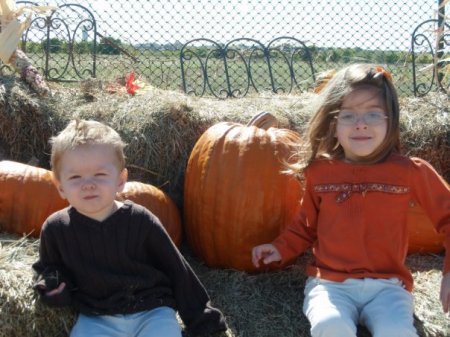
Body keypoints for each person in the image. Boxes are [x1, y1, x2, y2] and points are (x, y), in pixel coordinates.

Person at [251, 63, 450, 337]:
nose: (361, 123)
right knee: (330, 325)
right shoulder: (320, 172)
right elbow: (306, 225)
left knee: (396, 332)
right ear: (333, 125)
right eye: (348, 116)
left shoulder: (410, 171)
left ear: (390, 122)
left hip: (388, 287)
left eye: (373, 114)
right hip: (330, 285)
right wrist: (280, 248)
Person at [32, 119, 227, 337]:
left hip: (152, 310)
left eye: (100, 175)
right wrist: (54, 287)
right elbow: (49, 268)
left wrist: (202, 319)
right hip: (97, 316)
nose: (88, 184)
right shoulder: (56, 229)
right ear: (60, 186)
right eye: (75, 177)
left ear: (120, 180)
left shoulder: (140, 220)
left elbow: (177, 269)